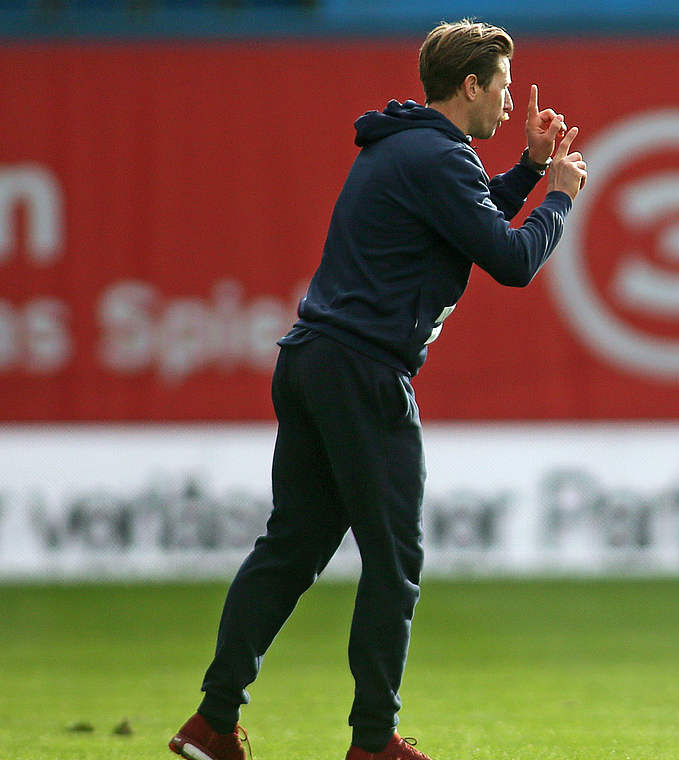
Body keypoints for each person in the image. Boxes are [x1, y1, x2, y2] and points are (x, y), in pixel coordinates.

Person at [168, 19, 587, 760]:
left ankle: (213, 720)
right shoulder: (440, 156)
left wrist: (524, 168)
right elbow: (512, 260)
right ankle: (372, 743)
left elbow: (467, 218)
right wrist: (557, 197)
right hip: (363, 371)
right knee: (394, 562)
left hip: (313, 361)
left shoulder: (410, 147)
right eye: (503, 86)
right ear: (470, 86)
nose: (508, 99)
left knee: (291, 548)